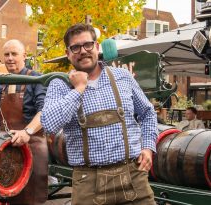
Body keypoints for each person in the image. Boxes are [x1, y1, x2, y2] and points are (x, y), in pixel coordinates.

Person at [41, 23, 157, 205]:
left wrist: (148, 147)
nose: (83, 51)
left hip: (133, 177)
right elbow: (49, 124)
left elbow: (148, 113)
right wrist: (78, 89)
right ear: (68, 53)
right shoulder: (60, 84)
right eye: (76, 47)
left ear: (96, 47)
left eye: (88, 45)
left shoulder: (122, 77)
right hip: (88, 183)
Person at [0, 39, 48, 205]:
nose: (10, 58)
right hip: (7, 151)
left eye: (14, 54)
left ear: (24, 56)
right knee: (6, 197)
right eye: (6, 54)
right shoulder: (1, 84)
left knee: (30, 199)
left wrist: (27, 132)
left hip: (33, 148)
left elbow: (44, 111)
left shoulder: (37, 79)